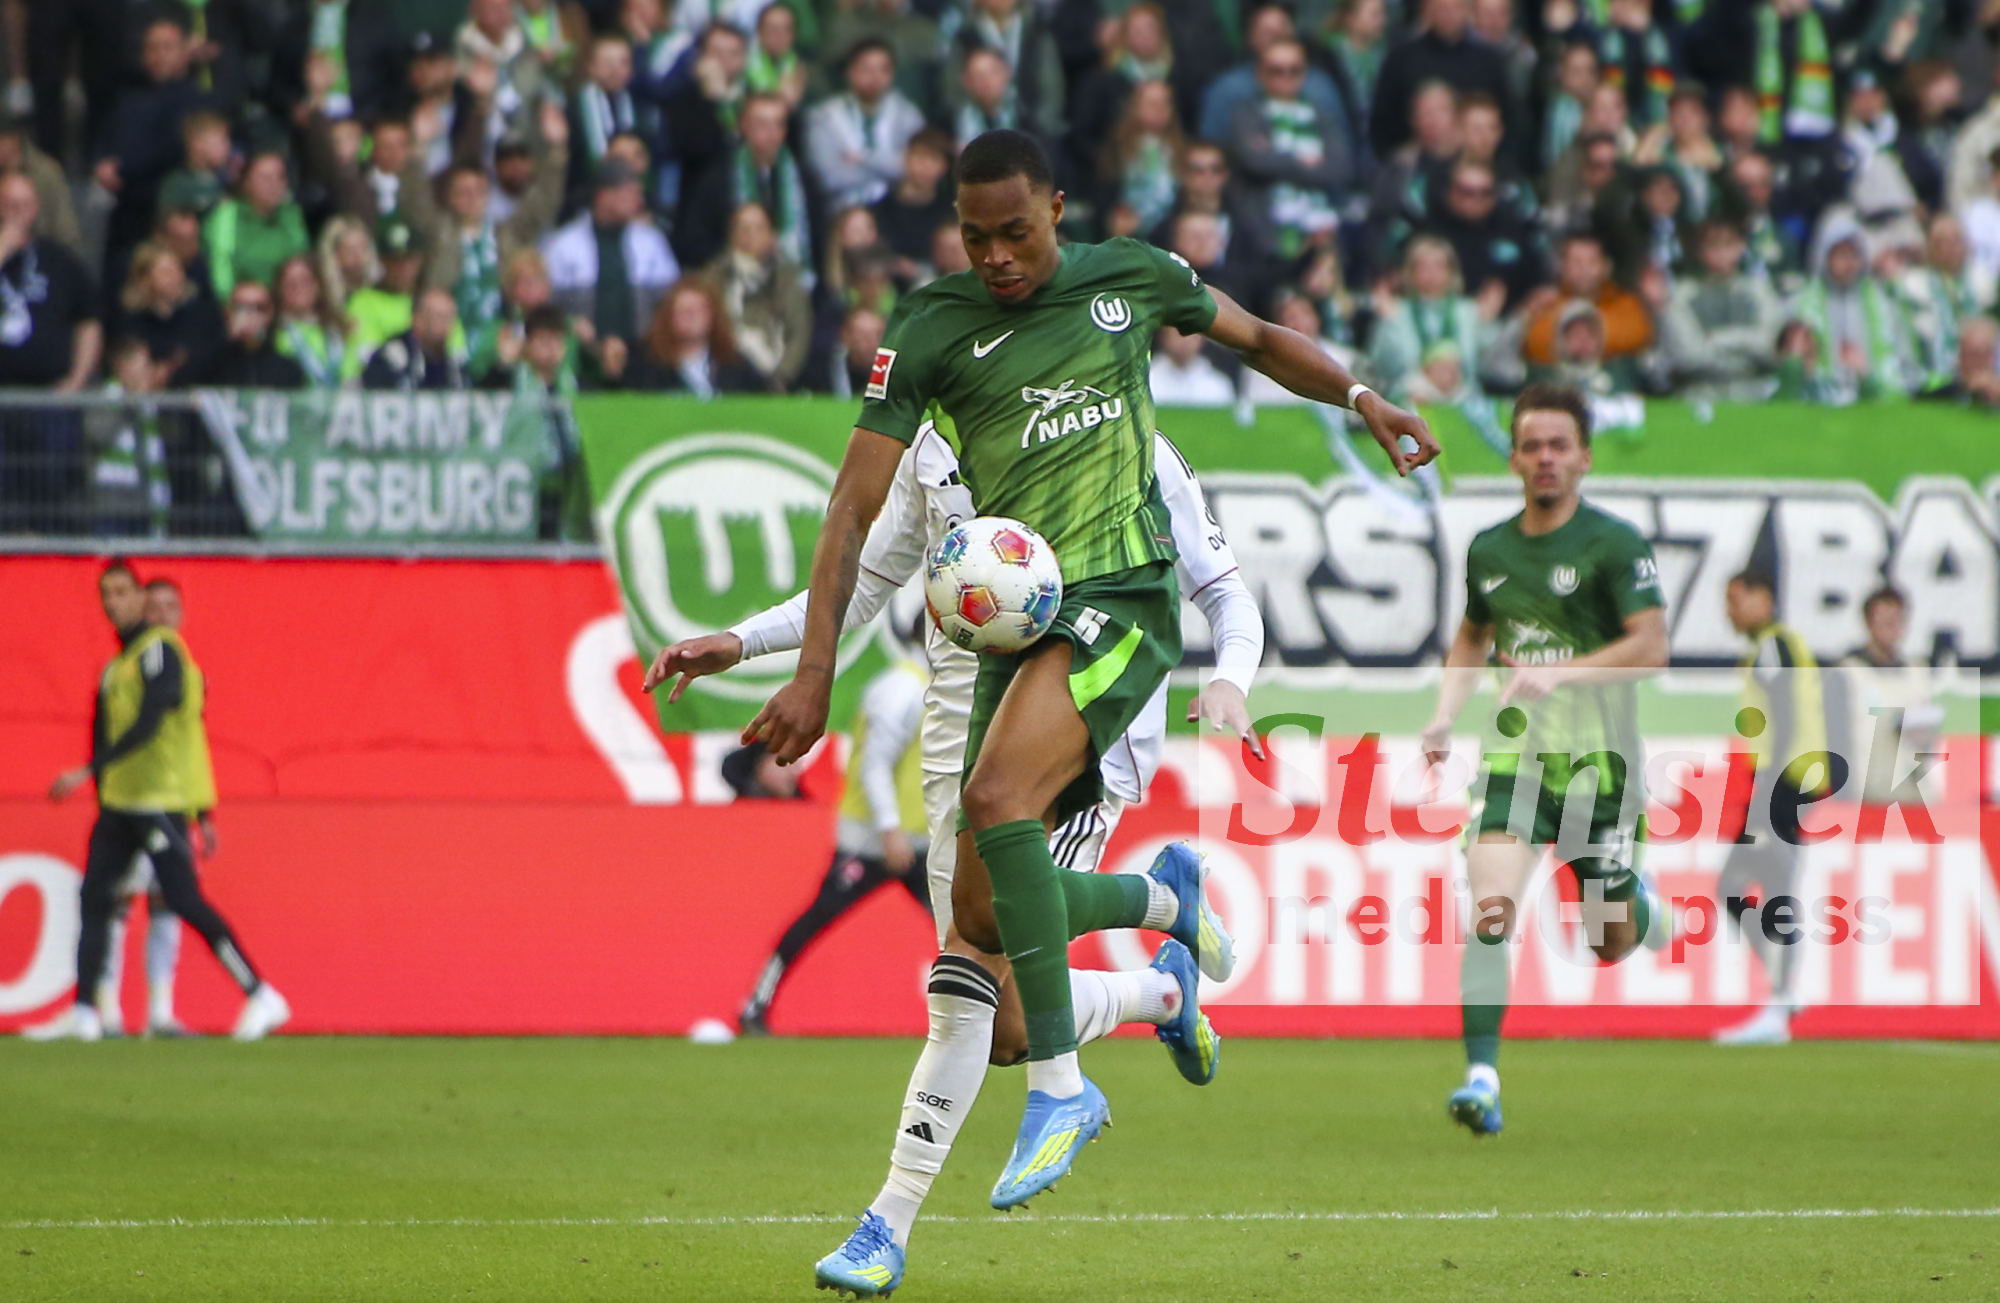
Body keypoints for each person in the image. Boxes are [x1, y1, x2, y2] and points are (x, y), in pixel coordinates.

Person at [734, 128, 1433, 1226]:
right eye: (975, 237)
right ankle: (1160, 922)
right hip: (1013, 649)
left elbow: (1256, 338)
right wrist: (804, 667)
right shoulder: (929, 330)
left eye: (1015, 232)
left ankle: (1048, 1100)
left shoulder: (1128, 281)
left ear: (1056, 209)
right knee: (985, 938)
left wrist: (1360, 397)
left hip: (1121, 598)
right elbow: (850, 515)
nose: (997, 257)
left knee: (996, 811)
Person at [646, 419, 1264, 1295]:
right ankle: (1162, 958)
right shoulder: (931, 444)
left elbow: (1225, 591)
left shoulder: (1124, 438)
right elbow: (863, 581)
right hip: (954, 734)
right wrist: (744, 640)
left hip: (1077, 737)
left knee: (963, 979)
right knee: (1002, 1026)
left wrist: (1231, 677)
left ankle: (886, 1223)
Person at [1418, 383, 1669, 1137]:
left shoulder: (1615, 545)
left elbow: (1651, 647)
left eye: (1560, 445)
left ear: (1585, 457)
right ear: (1515, 459)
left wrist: (1563, 672)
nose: (1546, 458)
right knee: (1490, 908)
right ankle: (1482, 1079)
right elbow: (1473, 633)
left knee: (1607, 941)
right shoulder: (1490, 550)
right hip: (1514, 763)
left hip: (1601, 768)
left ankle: (1638, 901)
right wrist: (1444, 713)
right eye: (1532, 446)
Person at [32, 561, 289, 1043]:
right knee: (95, 899)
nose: (114, 603)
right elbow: (104, 732)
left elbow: (154, 721)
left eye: (123, 593)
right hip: (121, 804)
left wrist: (92, 770)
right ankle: (86, 1013)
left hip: (158, 800)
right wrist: (100, 781)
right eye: (107, 594)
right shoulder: (117, 667)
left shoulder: (161, 652)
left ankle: (260, 994)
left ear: (138, 598)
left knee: (180, 899)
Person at [735, 648, 934, 1036]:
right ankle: (755, 1005)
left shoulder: (923, 686)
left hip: (915, 841)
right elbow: (875, 765)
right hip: (872, 841)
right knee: (817, 918)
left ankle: (998, 1017)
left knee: (965, 930)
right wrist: (890, 829)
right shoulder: (902, 688)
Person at [1711, 569, 1828, 1048]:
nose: (1730, 611)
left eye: (1736, 599)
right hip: (1789, 781)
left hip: (1785, 783)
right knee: (1739, 887)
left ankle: (1780, 1002)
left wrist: (1767, 792)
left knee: (1760, 888)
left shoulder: (1773, 647)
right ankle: (1784, 993)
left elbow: (1784, 717)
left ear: (1764, 597)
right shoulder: (1779, 645)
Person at [94, 576, 212, 1038]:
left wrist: (204, 813)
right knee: (118, 903)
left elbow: (191, 749)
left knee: (166, 904)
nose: (161, 615)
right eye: (154, 607)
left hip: (173, 803)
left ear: (182, 614)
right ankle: (105, 1010)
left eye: (170, 607)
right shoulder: (127, 668)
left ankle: (160, 1011)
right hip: (133, 803)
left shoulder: (189, 671)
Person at [0, 174, 100, 533]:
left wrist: (77, 380)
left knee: (53, 487)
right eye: (10, 204)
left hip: (49, 396)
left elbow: (88, 319)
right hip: (2, 397)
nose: (19, 212)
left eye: (25, 204)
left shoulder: (59, 260)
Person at [1225, 39, 1353, 260]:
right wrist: (1304, 161)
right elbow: (1254, 162)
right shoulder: (1246, 113)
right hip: (1266, 231)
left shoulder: (1323, 115)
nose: (1286, 77)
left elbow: (1340, 168)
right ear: (1260, 73)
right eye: (1277, 71)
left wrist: (1276, 157)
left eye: (1295, 70)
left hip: (1320, 228)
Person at [541, 159, 680, 358]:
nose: (640, 202)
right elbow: (549, 303)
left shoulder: (651, 240)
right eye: (632, 194)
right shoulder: (563, 244)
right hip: (580, 352)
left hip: (643, 351)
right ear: (604, 195)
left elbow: (669, 295)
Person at [675, 91, 815, 274]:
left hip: (793, 278)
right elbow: (695, 242)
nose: (772, 133)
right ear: (744, 125)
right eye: (762, 124)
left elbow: (817, 238)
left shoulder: (801, 176)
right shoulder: (718, 178)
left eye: (779, 124)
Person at [1793, 219, 1916, 405]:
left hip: (1875, 398)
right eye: (1841, 254)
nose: (1848, 262)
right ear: (1825, 257)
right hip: (1820, 402)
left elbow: (1904, 360)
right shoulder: (1802, 305)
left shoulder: (1884, 302)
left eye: (1854, 255)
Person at [1661, 219, 1784, 401]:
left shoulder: (1759, 291)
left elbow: (1770, 346)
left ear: (1741, 247)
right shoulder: (1682, 295)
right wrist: (1746, 344)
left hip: (1754, 393)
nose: (1721, 253)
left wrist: (1716, 338)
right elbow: (1688, 355)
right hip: (1698, 393)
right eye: (1713, 246)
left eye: (1728, 244)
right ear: (1700, 252)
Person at [1369, 0, 1509, 160]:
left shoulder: (1489, 62)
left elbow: (1508, 120)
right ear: (1428, 10)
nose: (1449, 15)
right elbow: (1382, 125)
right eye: (1442, 8)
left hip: (1480, 164)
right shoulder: (1402, 60)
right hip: (1415, 165)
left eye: (1456, 7)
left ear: (1468, 10)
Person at [1369, 235, 1495, 401]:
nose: (1431, 274)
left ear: (1452, 272)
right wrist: (1386, 322)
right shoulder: (1395, 313)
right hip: (1410, 400)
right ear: (1410, 273)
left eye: (1439, 266)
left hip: (1463, 399)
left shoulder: (1469, 312)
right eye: (1423, 266)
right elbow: (1379, 367)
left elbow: (1488, 366)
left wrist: (1490, 324)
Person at [702, 201, 812, 391]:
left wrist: (782, 376)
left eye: (759, 228)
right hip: (728, 368)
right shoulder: (715, 277)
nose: (751, 235)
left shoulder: (788, 277)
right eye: (744, 229)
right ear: (732, 234)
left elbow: (799, 330)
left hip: (776, 367)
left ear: (771, 235)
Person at [805, 37, 925, 211]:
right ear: (850, 72)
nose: (875, 77)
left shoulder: (909, 115)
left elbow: (914, 169)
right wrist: (888, 167)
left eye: (883, 70)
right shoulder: (822, 116)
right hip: (843, 209)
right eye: (867, 69)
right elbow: (828, 178)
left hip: (898, 208)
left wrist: (863, 158)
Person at [1519, 231, 1652, 371]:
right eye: (1576, 262)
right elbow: (1533, 343)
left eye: (1592, 262)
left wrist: (1579, 339)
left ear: (1606, 267)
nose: (1584, 269)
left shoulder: (1627, 303)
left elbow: (1638, 336)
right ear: (1561, 266)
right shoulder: (1544, 303)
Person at [625, 277, 765, 394]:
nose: (690, 317)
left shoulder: (736, 366)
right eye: (682, 311)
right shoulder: (643, 364)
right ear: (668, 317)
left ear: (713, 316)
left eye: (698, 310)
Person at [204, 153, 311, 303]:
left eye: (280, 177)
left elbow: (300, 262)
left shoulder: (291, 214)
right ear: (247, 183)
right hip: (245, 304)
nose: (274, 184)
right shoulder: (227, 215)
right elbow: (221, 273)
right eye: (265, 178)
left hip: (286, 304)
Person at [114, 242, 223, 387]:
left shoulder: (202, 315)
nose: (176, 278)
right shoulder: (131, 323)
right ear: (145, 279)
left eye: (178, 270)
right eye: (166, 273)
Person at [191, 279, 308, 388]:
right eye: (241, 307)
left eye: (260, 308)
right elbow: (187, 382)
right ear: (228, 312)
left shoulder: (287, 369)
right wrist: (228, 340)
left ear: (270, 314)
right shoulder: (210, 361)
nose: (251, 315)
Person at [361, 288, 469, 390]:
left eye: (450, 318)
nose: (446, 327)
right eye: (439, 317)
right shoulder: (393, 356)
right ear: (418, 319)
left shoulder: (453, 365)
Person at [271, 254, 350, 388]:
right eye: (290, 283)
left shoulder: (337, 329)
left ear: (317, 285)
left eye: (304, 281)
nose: (298, 288)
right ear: (280, 289)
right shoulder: (273, 332)